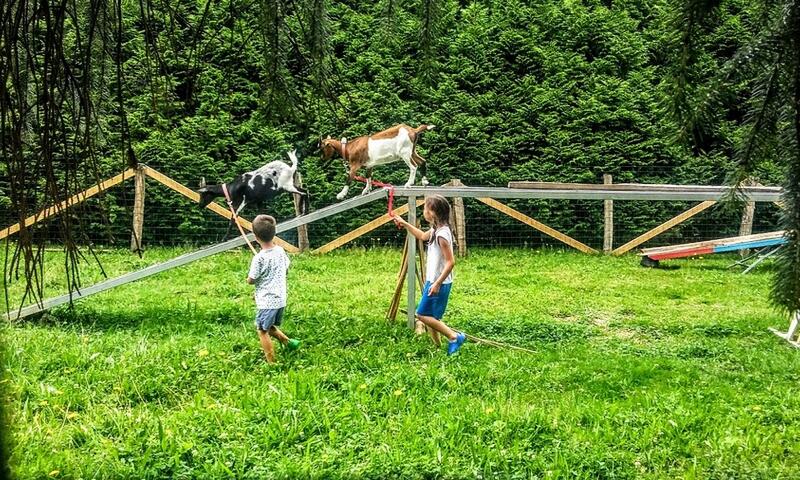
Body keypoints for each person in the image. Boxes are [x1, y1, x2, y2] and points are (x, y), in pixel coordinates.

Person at [392, 195, 466, 355]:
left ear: (433, 213)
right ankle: (438, 347)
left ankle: (454, 337)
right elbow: (422, 236)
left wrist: (437, 284)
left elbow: (450, 262)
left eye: (426, 208)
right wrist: (405, 224)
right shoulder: (436, 230)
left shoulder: (442, 235)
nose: (424, 211)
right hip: (434, 281)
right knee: (433, 317)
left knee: (422, 314)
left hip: (439, 283)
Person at [246, 215, 300, 363]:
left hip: (268, 302)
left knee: (262, 330)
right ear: (274, 234)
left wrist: (248, 280)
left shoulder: (259, 258)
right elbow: (286, 269)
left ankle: (271, 362)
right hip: (280, 299)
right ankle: (289, 343)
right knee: (268, 326)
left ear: (256, 237)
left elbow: (251, 280)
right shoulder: (281, 251)